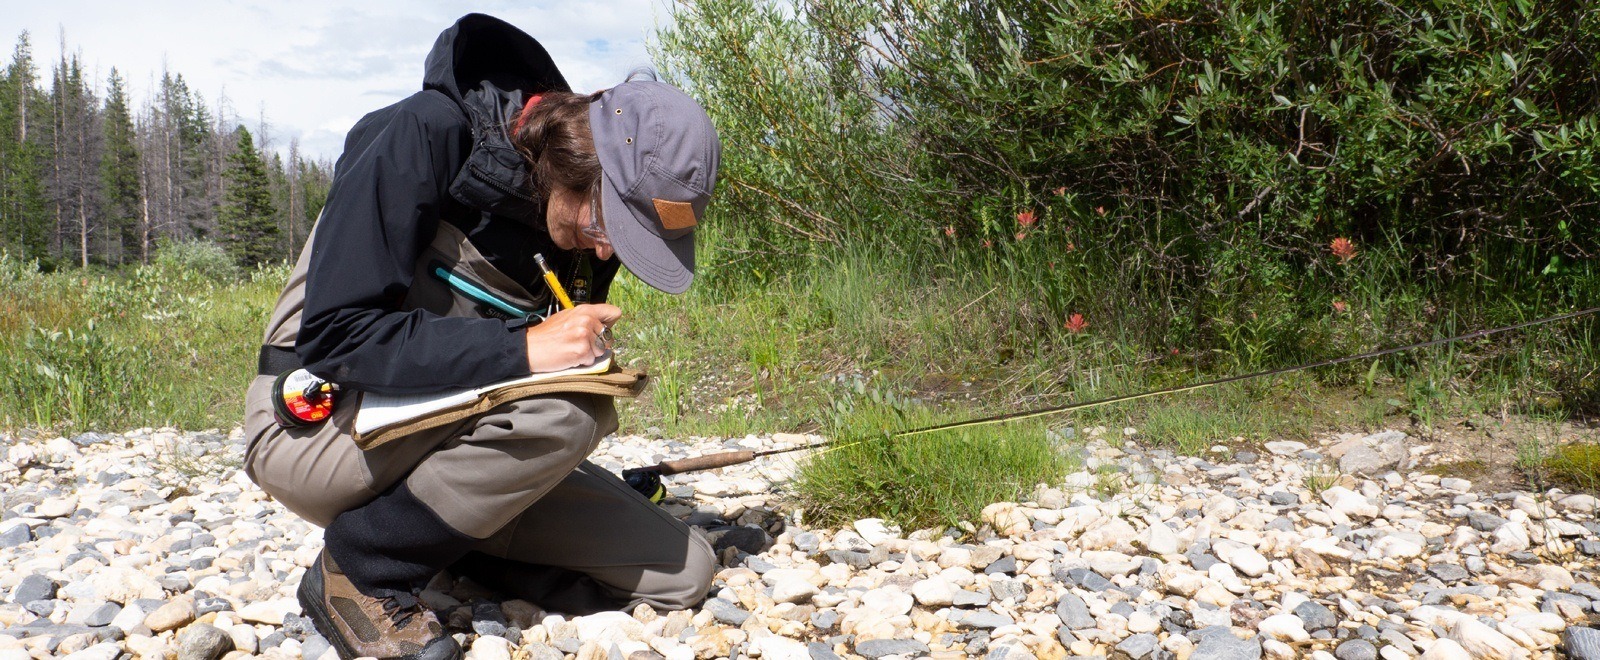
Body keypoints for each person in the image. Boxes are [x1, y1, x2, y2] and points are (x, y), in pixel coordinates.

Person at [241, 13, 721, 660]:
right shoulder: (424, 134)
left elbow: (509, 399)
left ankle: (441, 545)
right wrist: (528, 352)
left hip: (430, 436)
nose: (610, 248)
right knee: (574, 410)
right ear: (580, 154)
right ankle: (362, 568)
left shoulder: (586, 232)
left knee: (687, 572)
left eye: (637, 240)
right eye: (612, 220)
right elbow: (335, 335)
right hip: (314, 427)